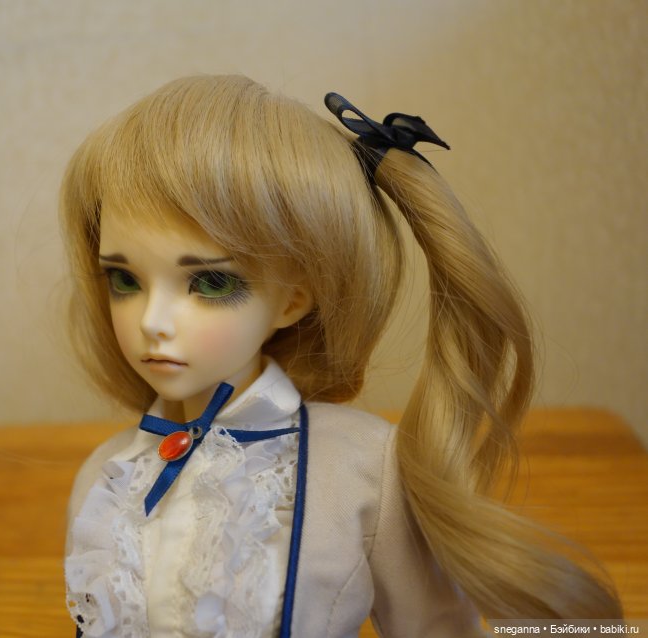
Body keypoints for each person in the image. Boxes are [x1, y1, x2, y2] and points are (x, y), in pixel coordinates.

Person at [60, 75, 621, 637]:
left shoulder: (361, 469)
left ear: (293, 298)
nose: (152, 322)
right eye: (124, 279)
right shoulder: (108, 478)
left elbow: (434, 628)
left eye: (210, 282)